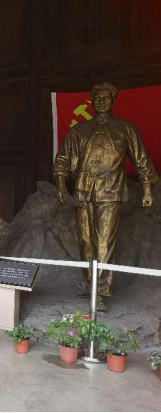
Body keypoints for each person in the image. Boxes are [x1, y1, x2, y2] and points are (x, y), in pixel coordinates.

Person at [54, 82, 158, 312]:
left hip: (111, 190)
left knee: (104, 242)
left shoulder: (125, 128)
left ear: (113, 101)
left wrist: (147, 189)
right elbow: (63, 160)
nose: (101, 101)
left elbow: (141, 160)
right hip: (83, 190)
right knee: (85, 240)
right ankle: (88, 282)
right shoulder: (79, 130)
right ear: (91, 101)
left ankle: (99, 291)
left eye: (106, 97)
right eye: (97, 98)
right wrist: (60, 185)